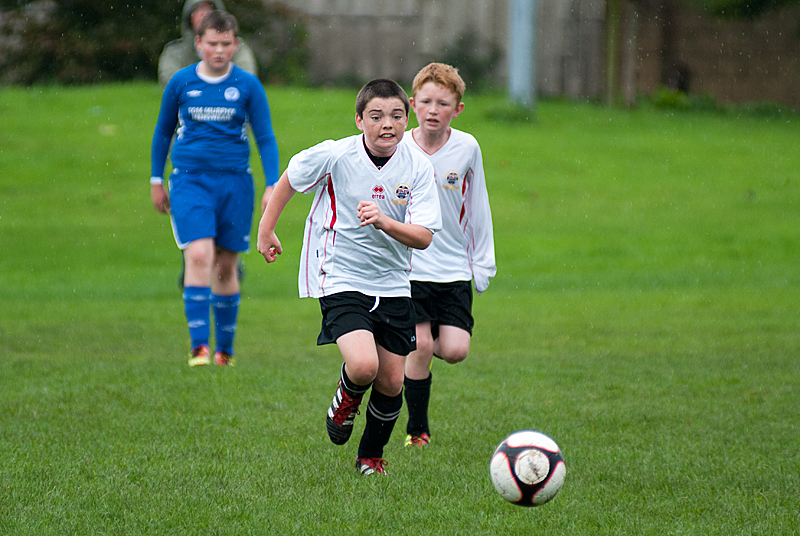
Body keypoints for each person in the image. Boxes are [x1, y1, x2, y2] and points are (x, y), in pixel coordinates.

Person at [256, 79, 442, 475]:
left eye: (395, 116)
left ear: (406, 119)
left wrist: (386, 223)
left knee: (393, 382)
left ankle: (369, 457)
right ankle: (347, 396)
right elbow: (291, 176)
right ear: (359, 120)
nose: (386, 124)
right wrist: (266, 228)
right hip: (339, 274)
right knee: (363, 366)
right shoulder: (336, 154)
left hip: (392, 281)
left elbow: (424, 236)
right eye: (375, 116)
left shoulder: (418, 167)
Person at [150, 11, 279, 367]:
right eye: (212, 44)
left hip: (235, 183)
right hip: (190, 180)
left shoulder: (248, 85)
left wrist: (272, 183)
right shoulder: (181, 82)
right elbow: (163, 132)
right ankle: (198, 347)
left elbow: (265, 137)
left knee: (225, 266)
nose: (219, 51)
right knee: (198, 255)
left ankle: (224, 350)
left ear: (235, 45)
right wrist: (156, 179)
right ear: (198, 44)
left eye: (225, 44)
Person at [401, 63, 496, 448]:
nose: (433, 110)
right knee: (421, 347)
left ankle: (399, 345)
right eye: (425, 101)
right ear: (412, 104)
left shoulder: (467, 148)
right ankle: (417, 431)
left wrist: (482, 262)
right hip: (408, 268)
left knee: (455, 351)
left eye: (443, 103)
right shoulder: (398, 147)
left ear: (458, 109)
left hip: (453, 268)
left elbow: (477, 207)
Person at [159, 0, 259, 288]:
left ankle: (227, 263)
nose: (203, 16)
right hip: (190, 149)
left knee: (226, 261)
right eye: (197, 12)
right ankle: (193, 262)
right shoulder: (175, 53)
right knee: (197, 240)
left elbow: (246, 86)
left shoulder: (239, 54)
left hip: (228, 156)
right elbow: (172, 87)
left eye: (208, 9)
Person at [158, 0, 257, 87]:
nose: (203, 14)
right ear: (189, 17)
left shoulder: (237, 47)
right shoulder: (175, 51)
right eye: (196, 9)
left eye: (208, 8)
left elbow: (247, 79)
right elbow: (171, 83)